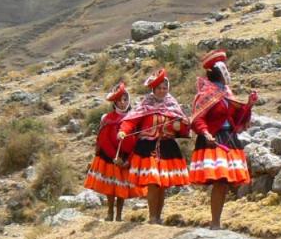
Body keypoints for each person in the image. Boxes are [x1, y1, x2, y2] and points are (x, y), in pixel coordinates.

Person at [188, 50, 257, 229]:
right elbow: (198, 118)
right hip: (213, 139)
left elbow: (237, 117)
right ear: (216, 72)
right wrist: (205, 133)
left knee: (224, 182)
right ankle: (215, 222)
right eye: (223, 69)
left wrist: (249, 105)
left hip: (228, 138)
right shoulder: (205, 93)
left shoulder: (226, 92)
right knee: (220, 180)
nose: (227, 72)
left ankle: (216, 221)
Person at [118, 69, 190, 225]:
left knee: (162, 184)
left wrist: (179, 126)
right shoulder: (145, 104)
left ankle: (158, 216)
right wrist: (123, 131)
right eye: (159, 88)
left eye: (165, 88)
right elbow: (130, 120)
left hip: (167, 147)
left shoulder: (172, 104)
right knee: (152, 182)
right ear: (153, 89)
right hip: (147, 147)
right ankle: (152, 217)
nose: (162, 91)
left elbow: (183, 126)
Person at [84, 82, 144, 221]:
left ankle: (119, 215)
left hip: (126, 157)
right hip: (110, 157)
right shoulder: (107, 118)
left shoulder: (135, 118)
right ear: (114, 103)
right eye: (119, 100)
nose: (123, 103)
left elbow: (139, 140)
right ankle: (110, 211)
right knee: (111, 186)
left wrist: (129, 159)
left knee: (122, 186)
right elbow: (104, 140)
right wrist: (114, 157)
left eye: (125, 99)